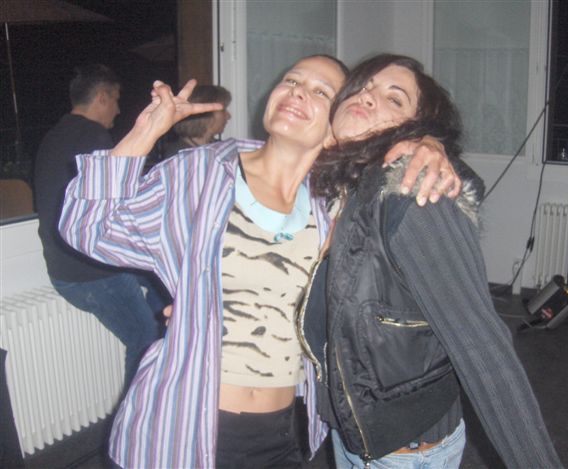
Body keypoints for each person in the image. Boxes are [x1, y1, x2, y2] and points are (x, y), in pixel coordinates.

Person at [58, 55, 460, 468]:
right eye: (292, 80)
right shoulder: (201, 174)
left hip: (285, 432)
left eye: (320, 91)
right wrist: (147, 130)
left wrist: (429, 144)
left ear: (335, 129)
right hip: (188, 424)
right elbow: (89, 229)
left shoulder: (333, 203)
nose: (297, 92)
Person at [304, 54, 563, 468]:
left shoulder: (414, 195)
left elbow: (483, 348)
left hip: (406, 452)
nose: (368, 97)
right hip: (356, 433)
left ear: (414, 128)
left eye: (394, 98)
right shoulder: (341, 188)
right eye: (363, 86)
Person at [34, 64, 167, 391]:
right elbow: (119, 205)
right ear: (103, 97)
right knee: (145, 338)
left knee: (163, 280)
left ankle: (166, 339)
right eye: (116, 100)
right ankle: (138, 413)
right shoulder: (93, 136)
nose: (118, 110)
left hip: (67, 266)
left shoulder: (54, 136)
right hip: (89, 273)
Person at [161, 84, 232, 157]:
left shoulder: (223, 149)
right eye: (223, 110)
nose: (229, 116)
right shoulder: (178, 156)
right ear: (204, 113)